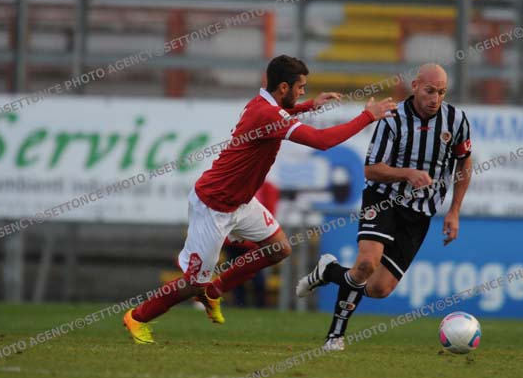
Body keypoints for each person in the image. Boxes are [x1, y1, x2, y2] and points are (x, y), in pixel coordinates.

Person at [123, 55, 396, 344]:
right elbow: (321, 141)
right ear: (283, 87)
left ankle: (215, 291)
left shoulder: (262, 105)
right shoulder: (267, 114)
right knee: (192, 283)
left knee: (279, 248)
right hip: (214, 205)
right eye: (300, 87)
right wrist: (368, 116)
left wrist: (309, 105)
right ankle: (137, 317)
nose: (303, 91)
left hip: (240, 203)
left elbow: (281, 114)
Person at [296, 63, 473, 351]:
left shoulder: (456, 120)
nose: (435, 99)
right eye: (429, 91)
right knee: (366, 263)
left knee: (380, 288)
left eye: (441, 92)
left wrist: (454, 211)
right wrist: (408, 173)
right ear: (415, 86)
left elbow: (464, 162)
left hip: (420, 211)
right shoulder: (392, 119)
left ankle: (329, 272)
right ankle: (335, 336)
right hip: (383, 198)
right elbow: (371, 169)